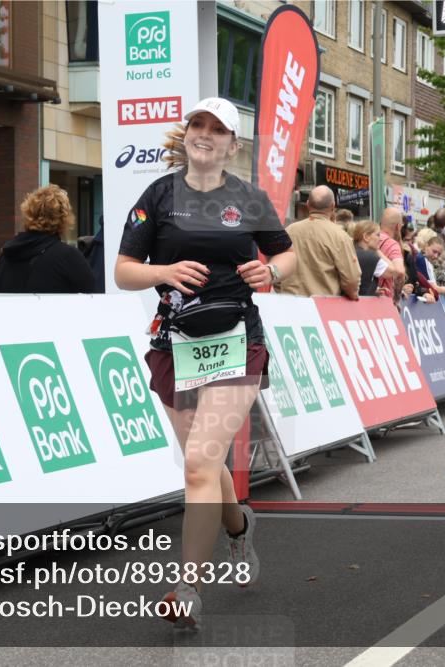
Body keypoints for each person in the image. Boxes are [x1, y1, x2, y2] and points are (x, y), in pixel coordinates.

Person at [114, 97, 296, 629]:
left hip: (237, 341)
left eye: (218, 129)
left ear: (231, 145)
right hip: (176, 343)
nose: (205, 134)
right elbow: (124, 271)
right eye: (198, 124)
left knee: (197, 463)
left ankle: (187, 589)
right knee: (205, 462)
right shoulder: (158, 195)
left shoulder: (249, 198)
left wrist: (274, 274)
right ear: (187, 133)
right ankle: (239, 529)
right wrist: (163, 272)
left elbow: (285, 253)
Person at [0, 185, 95, 294]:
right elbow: (92, 296)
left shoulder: (5, 257)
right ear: (64, 218)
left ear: (28, 213)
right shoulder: (68, 257)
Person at [278, 185, 360, 299]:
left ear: (307, 204)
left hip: (290, 304)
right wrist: (352, 294)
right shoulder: (340, 236)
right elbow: (351, 279)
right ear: (333, 206)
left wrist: (282, 291)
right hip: (323, 307)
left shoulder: (288, 231)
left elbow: (277, 268)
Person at [349, 220, 393, 297]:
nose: (380, 239)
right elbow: (392, 271)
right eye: (378, 235)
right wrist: (377, 250)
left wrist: (373, 289)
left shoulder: (349, 252)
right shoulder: (371, 257)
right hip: (363, 304)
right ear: (366, 237)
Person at [376, 208, 408, 300]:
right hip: (384, 300)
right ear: (398, 226)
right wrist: (397, 297)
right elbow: (400, 272)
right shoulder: (392, 244)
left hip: (366, 297)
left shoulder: (368, 239)